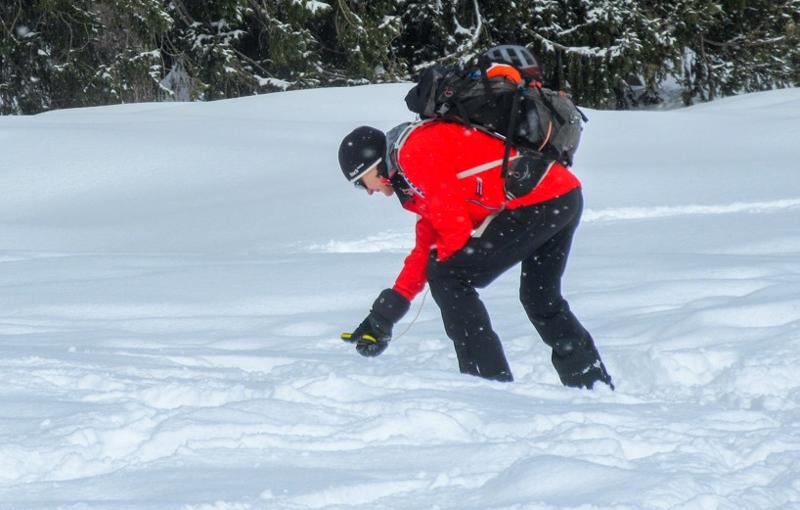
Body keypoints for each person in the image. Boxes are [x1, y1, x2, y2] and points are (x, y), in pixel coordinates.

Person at [337, 119, 613, 389]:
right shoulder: (410, 175)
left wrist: (440, 261)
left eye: (360, 183)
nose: (369, 192)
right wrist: (381, 319)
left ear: (372, 165)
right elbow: (426, 245)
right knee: (540, 298)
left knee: (447, 275)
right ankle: (590, 384)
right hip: (561, 195)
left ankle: (486, 384)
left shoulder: (413, 153)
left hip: (538, 203)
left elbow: (454, 228)